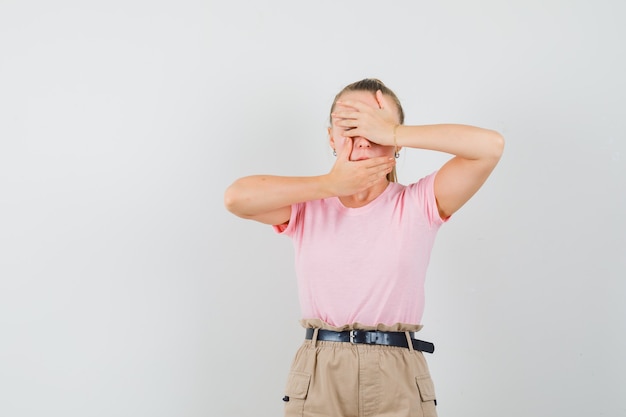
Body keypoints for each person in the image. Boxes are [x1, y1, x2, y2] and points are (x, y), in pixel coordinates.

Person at [224, 78, 504, 417]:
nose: (364, 139)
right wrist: (331, 184)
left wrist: (395, 132)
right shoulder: (308, 206)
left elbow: (490, 147)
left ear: (396, 141)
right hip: (320, 368)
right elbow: (237, 198)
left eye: (375, 127)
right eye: (350, 127)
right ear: (331, 138)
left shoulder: (418, 204)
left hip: (398, 370)